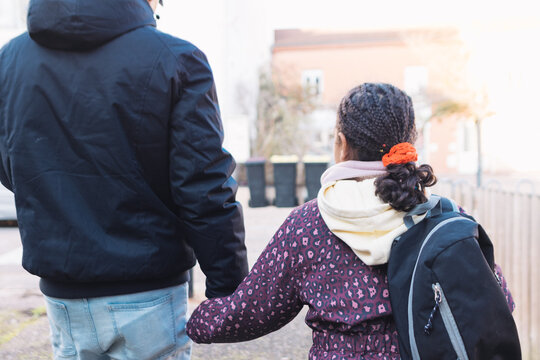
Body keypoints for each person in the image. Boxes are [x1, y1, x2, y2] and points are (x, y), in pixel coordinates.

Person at [186, 83, 514, 359]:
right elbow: (498, 300)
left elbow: (252, 311)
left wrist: (193, 321)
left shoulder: (307, 225)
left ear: (341, 145)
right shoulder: (444, 218)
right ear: (411, 142)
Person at [0, 0, 248, 359]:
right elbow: (204, 187)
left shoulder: (9, 62)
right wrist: (228, 290)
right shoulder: (175, 59)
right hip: (147, 291)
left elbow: (13, 166)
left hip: (64, 294)